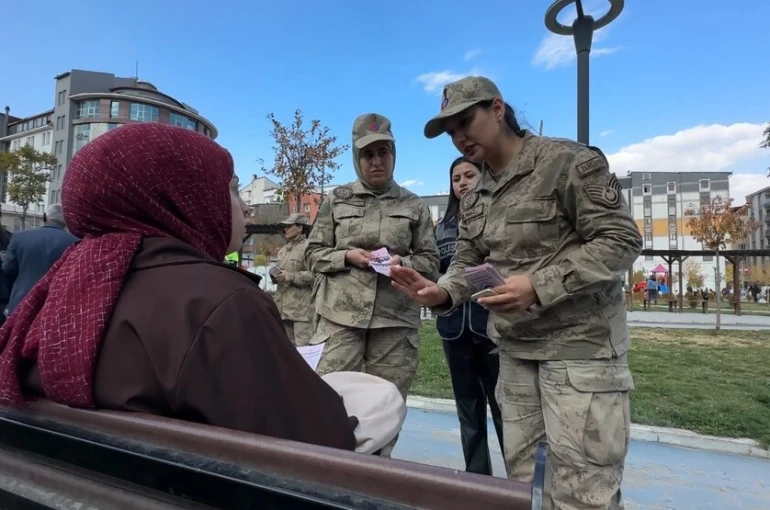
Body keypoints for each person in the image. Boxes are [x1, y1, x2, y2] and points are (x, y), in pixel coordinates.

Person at [0, 123, 357, 451]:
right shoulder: (220, 302)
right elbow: (319, 445)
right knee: (374, 397)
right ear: (184, 197)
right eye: (233, 190)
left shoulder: (58, 288)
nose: (246, 207)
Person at [391, 76, 643, 509]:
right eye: (449, 131)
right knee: (524, 488)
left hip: (579, 355)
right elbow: (468, 259)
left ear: (497, 109)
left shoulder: (566, 162)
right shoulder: (476, 193)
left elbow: (620, 239)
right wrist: (443, 292)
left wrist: (538, 286)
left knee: (583, 492)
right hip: (514, 354)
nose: (458, 137)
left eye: (464, 121)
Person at [305, 113, 440, 457]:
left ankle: (377, 478)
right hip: (339, 320)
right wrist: (347, 256)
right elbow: (313, 254)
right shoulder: (336, 200)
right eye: (368, 154)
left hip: (395, 324)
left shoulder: (414, 206)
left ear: (394, 154)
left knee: (387, 408)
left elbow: (431, 260)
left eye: (384, 152)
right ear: (356, 157)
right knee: (327, 400)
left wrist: (404, 264)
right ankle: (327, 476)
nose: (376, 161)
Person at [435, 156, 503, 475]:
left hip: (490, 328)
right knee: (468, 408)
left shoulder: (500, 217)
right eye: (456, 178)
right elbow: (434, 270)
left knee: (504, 406)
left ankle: (519, 483)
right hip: (453, 330)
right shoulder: (442, 228)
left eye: (469, 175)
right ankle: (478, 479)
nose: (462, 182)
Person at [2, 204, 79, 317]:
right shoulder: (75, 242)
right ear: (65, 222)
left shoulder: (20, 237)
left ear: (44, 217)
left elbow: (7, 267)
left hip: (21, 301)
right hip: (55, 304)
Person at [273, 212, 315, 346]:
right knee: (288, 352)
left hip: (302, 312)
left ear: (300, 228)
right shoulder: (283, 250)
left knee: (304, 353)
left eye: (289, 226)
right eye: (285, 227)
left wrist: (290, 276)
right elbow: (281, 274)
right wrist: (276, 276)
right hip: (283, 310)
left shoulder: (310, 248)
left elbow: (316, 276)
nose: (285, 229)